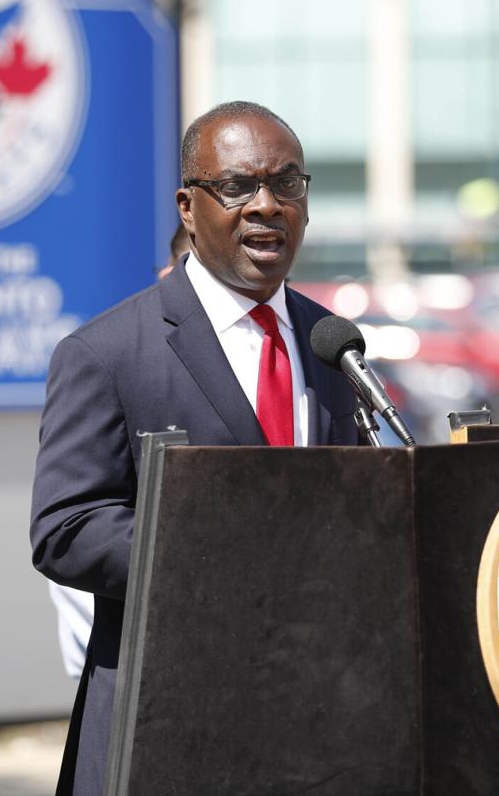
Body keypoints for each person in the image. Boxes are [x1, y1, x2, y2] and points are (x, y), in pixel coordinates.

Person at [30, 101, 359, 794]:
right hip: (171, 724)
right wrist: (224, 540)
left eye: (288, 184)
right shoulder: (108, 353)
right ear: (188, 205)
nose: (267, 205)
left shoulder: (333, 345)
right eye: (238, 186)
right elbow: (66, 529)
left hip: (314, 726)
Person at [45, 223, 192, 681]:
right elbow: (69, 530)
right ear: (169, 272)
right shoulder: (107, 355)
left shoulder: (308, 348)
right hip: (143, 666)